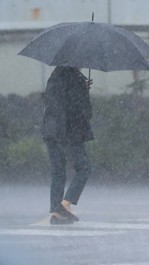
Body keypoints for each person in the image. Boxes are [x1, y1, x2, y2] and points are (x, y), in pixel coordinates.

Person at [41, 66, 93, 225]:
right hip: (70, 131)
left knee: (58, 172)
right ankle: (65, 204)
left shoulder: (55, 75)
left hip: (50, 129)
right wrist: (84, 90)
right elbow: (84, 111)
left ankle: (57, 213)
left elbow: (54, 101)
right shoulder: (76, 78)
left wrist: (82, 87)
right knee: (84, 168)